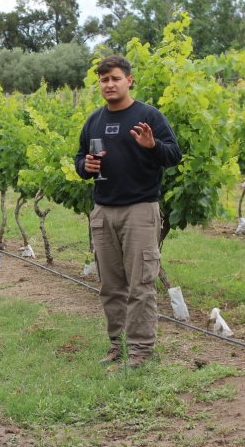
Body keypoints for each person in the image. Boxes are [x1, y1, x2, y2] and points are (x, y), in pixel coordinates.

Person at [74, 55, 182, 368]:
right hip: (103, 211)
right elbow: (80, 159)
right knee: (110, 287)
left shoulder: (148, 116)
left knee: (140, 285)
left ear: (129, 80)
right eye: (104, 80)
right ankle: (117, 346)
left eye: (115, 78)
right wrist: (84, 166)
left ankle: (140, 351)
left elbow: (173, 155)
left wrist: (152, 146)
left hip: (139, 210)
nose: (109, 84)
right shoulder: (94, 120)